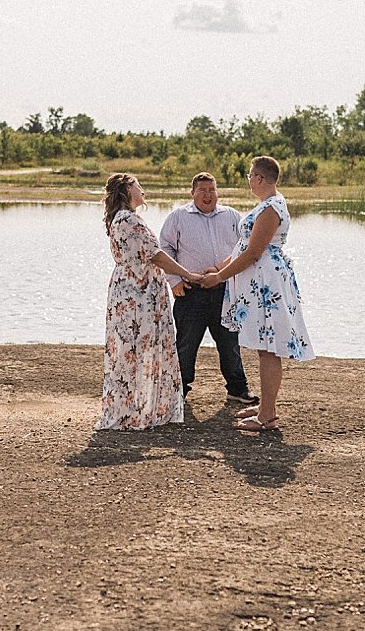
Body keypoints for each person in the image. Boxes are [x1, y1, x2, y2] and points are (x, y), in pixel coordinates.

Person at [200, 156, 315, 432]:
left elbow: (253, 253)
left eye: (251, 175)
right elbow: (243, 247)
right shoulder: (268, 205)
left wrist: (219, 277)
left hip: (266, 284)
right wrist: (218, 268)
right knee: (264, 347)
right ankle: (267, 406)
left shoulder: (272, 208)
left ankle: (267, 416)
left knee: (268, 349)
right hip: (261, 280)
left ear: (261, 178)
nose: (249, 180)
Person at [98, 173, 199, 431]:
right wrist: (186, 274)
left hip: (136, 288)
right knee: (136, 346)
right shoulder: (128, 219)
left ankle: (139, 406)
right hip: (137, 292)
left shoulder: (124, 218)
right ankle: (134, 410)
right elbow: (155, 255)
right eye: (137, 185)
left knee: (134, 347)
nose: (143, 189)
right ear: (127, 190)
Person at [158, 172, 257, 407]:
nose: (207, 195)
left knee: (229, 343)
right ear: (192, 193)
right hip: (190, 291)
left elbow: (243, 248)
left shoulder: (232, 216)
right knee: (185, 344)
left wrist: (220, 271)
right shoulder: (178, 217)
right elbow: (165, 249)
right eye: (202, 190)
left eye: (211, 190)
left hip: (224, 289)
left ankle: (237, 388)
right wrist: (174, 281)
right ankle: (178, 390)